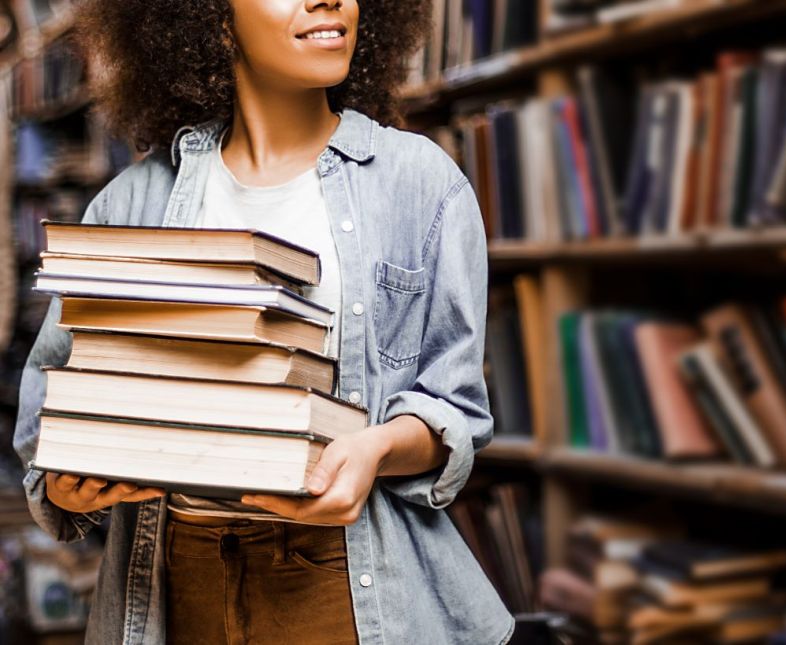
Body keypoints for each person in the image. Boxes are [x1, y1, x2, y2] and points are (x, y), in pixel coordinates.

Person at [13, 1, 514, 643]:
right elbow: (50, 405)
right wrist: (66, 483)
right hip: (173, 580)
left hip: (350, 582)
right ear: (211, 19)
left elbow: (457, 411)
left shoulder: (421, 182)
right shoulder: (131, 202)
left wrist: (376, 449)